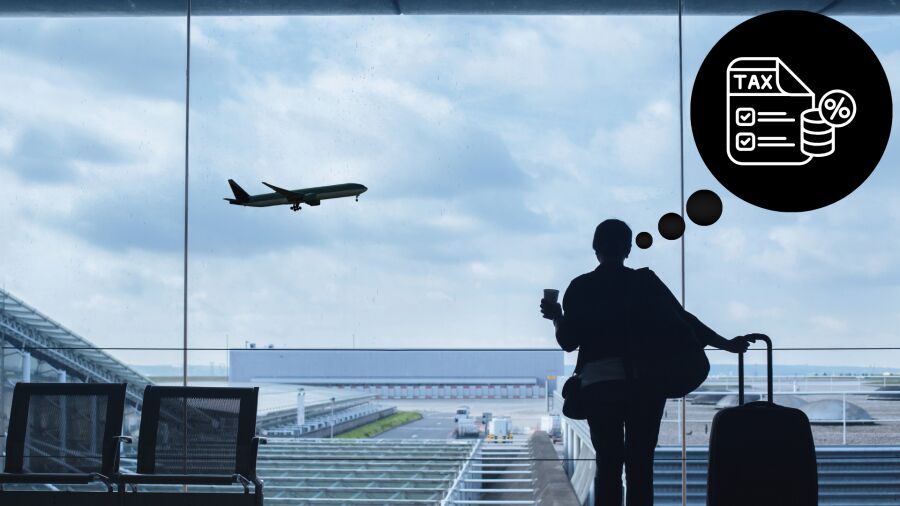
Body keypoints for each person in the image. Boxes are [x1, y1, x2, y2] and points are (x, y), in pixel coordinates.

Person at [540, 219, 751, 506]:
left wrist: (556, 315)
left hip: (599, 387)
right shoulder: (645, 283)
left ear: (594, 248)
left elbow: (568, 342)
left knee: (609, 465)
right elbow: (685, 321)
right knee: (640, 467)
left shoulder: (581, 286)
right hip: (646, 385)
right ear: (628, 249)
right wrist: (726, 344)